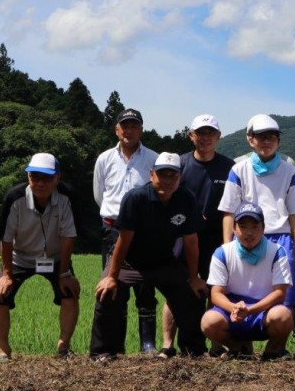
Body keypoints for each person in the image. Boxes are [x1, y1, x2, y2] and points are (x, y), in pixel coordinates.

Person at [89, 153, 208, 359]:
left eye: (173, 176)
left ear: (179, 178)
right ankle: (103, 351)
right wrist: (111, 276)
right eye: (162, 174)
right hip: (129, 261)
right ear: (152, 175)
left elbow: (191, 242)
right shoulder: (136, 198)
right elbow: (122, 241)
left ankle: (193, 350)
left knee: (192, 294)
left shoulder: (186, 199)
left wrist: (194, 277)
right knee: (107, 292)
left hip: (163, 261)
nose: (168, 181)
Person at [217, 114, 295, 356]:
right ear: (250, 140)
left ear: (278, 140)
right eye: (260, 137)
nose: (266, 141)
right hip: (245, 234)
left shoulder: (289, 170)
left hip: (280, 237)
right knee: (239, 288)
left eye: (271, 137)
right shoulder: (239, 170)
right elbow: (228, 211)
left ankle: (277, 346)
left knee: (286, 294)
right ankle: (241, 343)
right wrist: (227, 245)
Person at [160, 114, 236, 355]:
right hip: (182, 237)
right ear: (191, 135)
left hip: (215, 237)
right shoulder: (180, 165)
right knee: (176, 288)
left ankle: (215, 344)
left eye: (210, 133)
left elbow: (232, 207)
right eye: (200, 133)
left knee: (216, 288)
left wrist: (228, 244)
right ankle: (168, 345)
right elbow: (167, 198)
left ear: (218, 136)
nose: (205, 138)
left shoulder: (229, 167)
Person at [0, 153, 79, 361]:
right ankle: (3, 350)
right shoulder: (14, 198)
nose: (40, 183)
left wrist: (65, 272)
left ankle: (63, 347)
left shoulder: (67, 196)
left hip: (55, 256)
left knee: (69, 293)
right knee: (0, 297)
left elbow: (68, 236)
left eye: (46, 178)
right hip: (19, 257)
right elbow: (5, 238)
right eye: (34, 177)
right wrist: (6, 274)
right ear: (28, 177)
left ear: (57, 178)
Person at [93, 108, 159, 353]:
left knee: (145, 287)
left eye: (134, 125)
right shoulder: (104, 159)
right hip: (112, 230)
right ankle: (114, 346)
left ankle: (147, 345)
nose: (129, 130)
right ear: (117, 130)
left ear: (141, 129)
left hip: (144, 232)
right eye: (125, 126)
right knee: (113, 286)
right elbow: (99, 195)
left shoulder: (153, 158)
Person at [200, 202, 294, 360]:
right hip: (233, 310)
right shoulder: (222, 252)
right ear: (234, 228)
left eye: (255, 226)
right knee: (208, 322)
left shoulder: (277, 252)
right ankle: (238, 349)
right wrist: (234, 308)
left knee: (283, 316)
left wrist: (251, 310)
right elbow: (216, 294)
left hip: (264, 309)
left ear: (263, 228)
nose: (249, 232)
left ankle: (273, 350)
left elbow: (280, 293)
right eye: (243, 226)